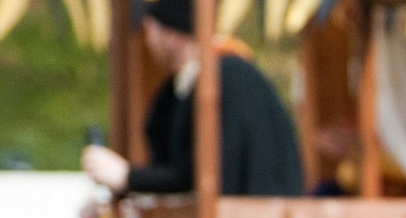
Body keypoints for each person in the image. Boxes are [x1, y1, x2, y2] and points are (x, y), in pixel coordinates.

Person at [81, 0, 305, 201]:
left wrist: (128, 177)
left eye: (151, 31)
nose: (147, 42)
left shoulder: (226, 79)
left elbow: (201, 174)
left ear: (174, 38)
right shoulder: (188, 85)